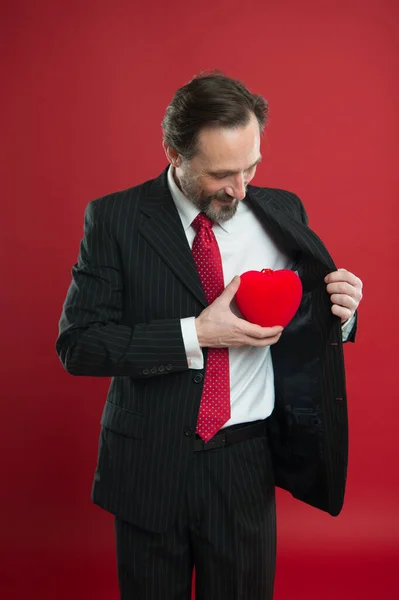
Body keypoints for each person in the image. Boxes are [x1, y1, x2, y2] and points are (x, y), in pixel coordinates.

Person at [56, 71, 363, 600]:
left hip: (244, 461)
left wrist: (343, 313)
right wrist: (196, 334)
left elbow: (302, 320)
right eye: (224, 173)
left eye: (252, 168)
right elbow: (79, 344)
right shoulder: (114, 220)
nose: (241, 190)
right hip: (147, 464)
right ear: (175, 153)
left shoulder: (282, 210)